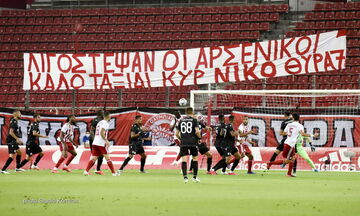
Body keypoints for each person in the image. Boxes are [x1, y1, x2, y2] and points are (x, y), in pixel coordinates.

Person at [84, 112, 118, 176]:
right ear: (107, 116)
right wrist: (106, 140)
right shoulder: (106, 123)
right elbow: (102, 132)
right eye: (110, 115)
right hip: (101, 143)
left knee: (94, 158)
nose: (110, 117)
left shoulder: (100, 122)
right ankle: (114, 173)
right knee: (107, 158)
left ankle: (86, 171)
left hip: (95, 142)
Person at [176, 107, 201, 183]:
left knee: (184, 159)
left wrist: (182, 139)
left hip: (184, 142)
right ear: (192, 112)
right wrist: (199, 138)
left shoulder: (181, 121)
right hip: (193, 141)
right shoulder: (194, 120)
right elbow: (197, 131)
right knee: (195, 158)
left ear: (186, 112)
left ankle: (185, 178)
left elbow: (176, 134)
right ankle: (194, 177)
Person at [90, 110, 105, 175]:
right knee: (96, 156)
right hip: (95, 140)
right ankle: (89, 170)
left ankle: (97, 169)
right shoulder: (95, 120)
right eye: (103, 113)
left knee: (100, 155)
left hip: (99, 140)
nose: (104, 114)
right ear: (100, 114)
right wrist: (94, 140)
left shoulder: (102, 121)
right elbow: (91, 131)